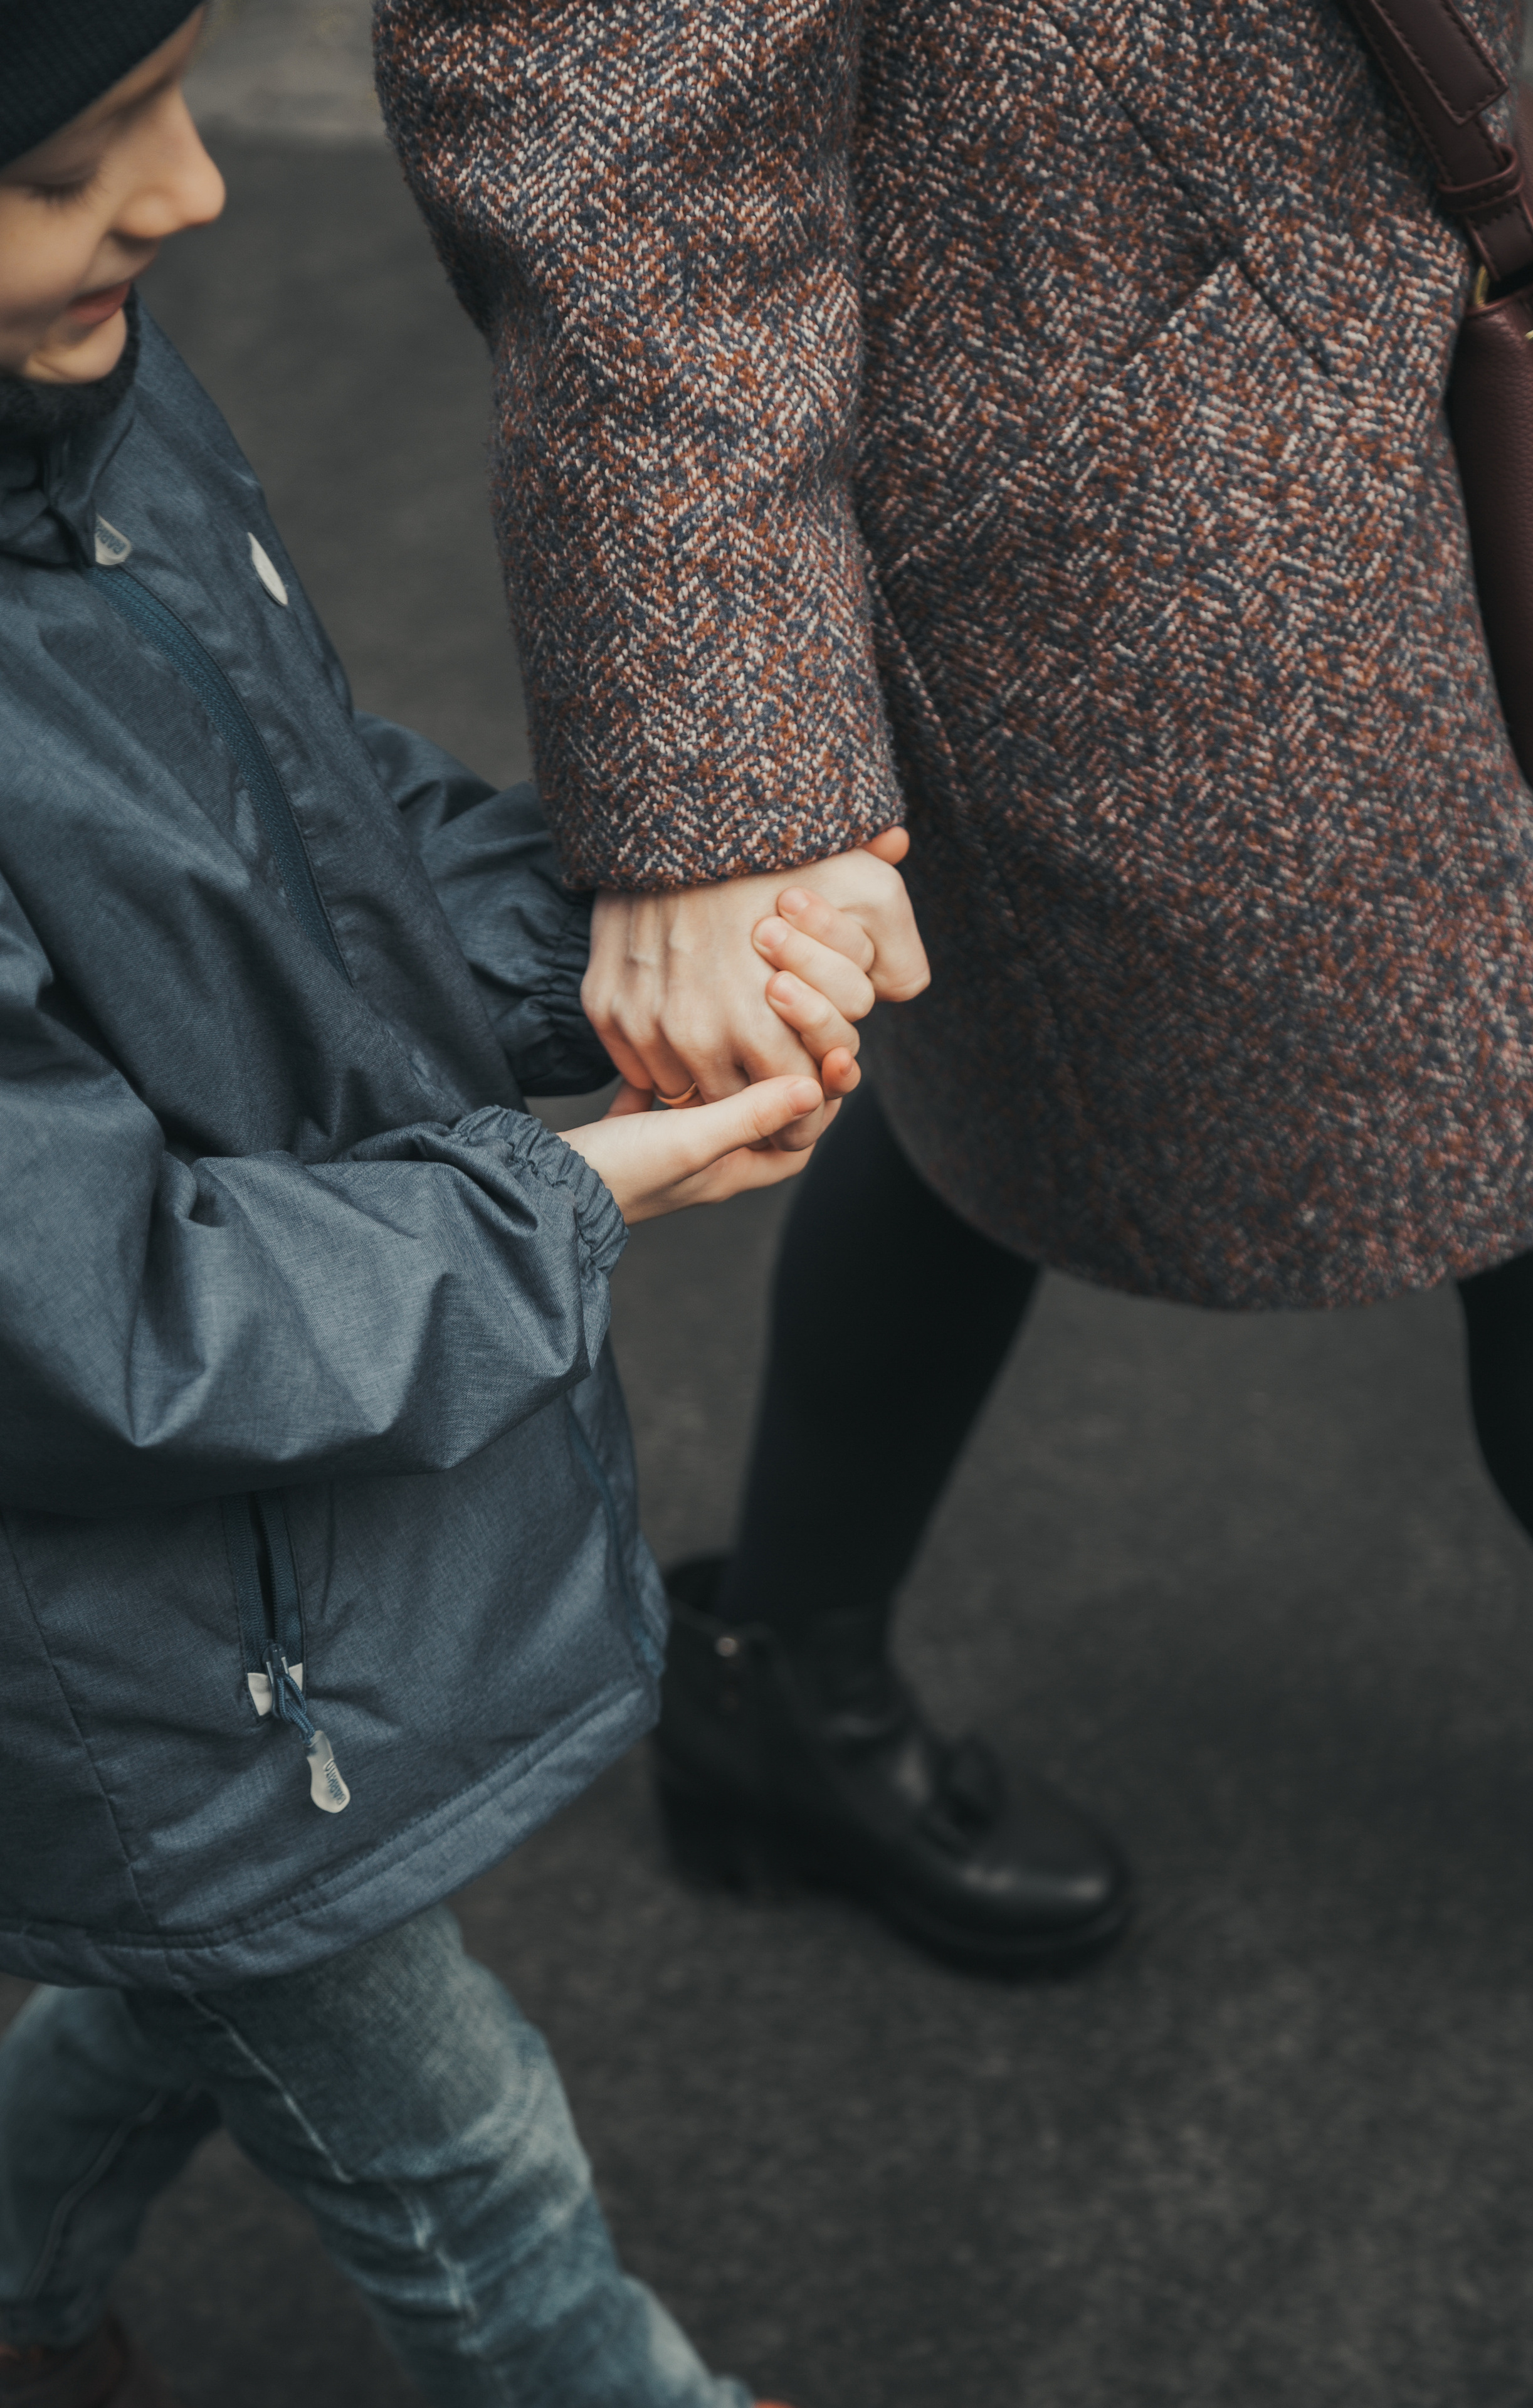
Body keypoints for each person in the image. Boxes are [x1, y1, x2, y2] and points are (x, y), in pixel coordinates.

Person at [375, 0, 1533, 1975]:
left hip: (1365, 323)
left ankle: (782, 1675)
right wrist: (717, 787)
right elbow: (610, 122)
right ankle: (786, 1679)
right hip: (1120, 503)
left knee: (994, 1073)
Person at [0, 12, 920, 2404]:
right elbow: (99, 1316)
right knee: (460, 2150)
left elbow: (321, 823)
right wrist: (572, 1190)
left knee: (192, 1992)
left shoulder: (84, 415)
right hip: (139, 1662)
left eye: (179, 94)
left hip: (241, 1613)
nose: (193, 191)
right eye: (67, 162)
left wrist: (652, 945)